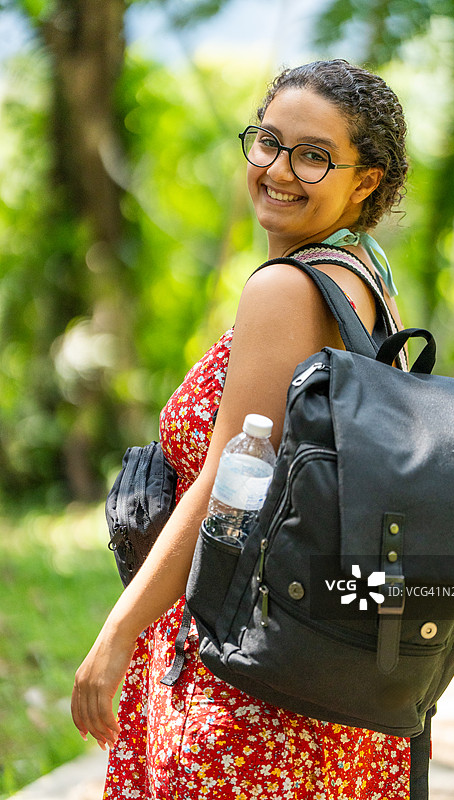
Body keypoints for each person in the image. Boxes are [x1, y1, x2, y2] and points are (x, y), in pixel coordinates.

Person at [72, 59, 410, 799]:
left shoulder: (286, 288)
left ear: (365, 182)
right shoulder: (365, 281)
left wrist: (117, 634)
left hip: (239, 674)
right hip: (318, 675)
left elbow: (231, 481)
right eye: (268, 141)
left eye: (313, 155)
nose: (278, 170)